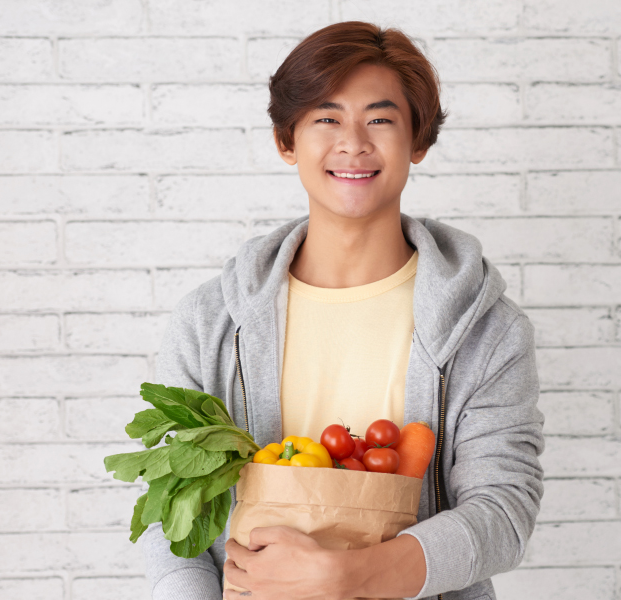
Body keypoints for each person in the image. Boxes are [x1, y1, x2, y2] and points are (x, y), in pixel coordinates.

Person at [140, 21, 544, 600]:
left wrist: (346, 578)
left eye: (380, 119)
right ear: (287, 141)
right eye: (326, 118)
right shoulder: (210, 322)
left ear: (418, 142)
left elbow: (503, 514)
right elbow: (167, 503)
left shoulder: (487, 330)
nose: (353, 142)